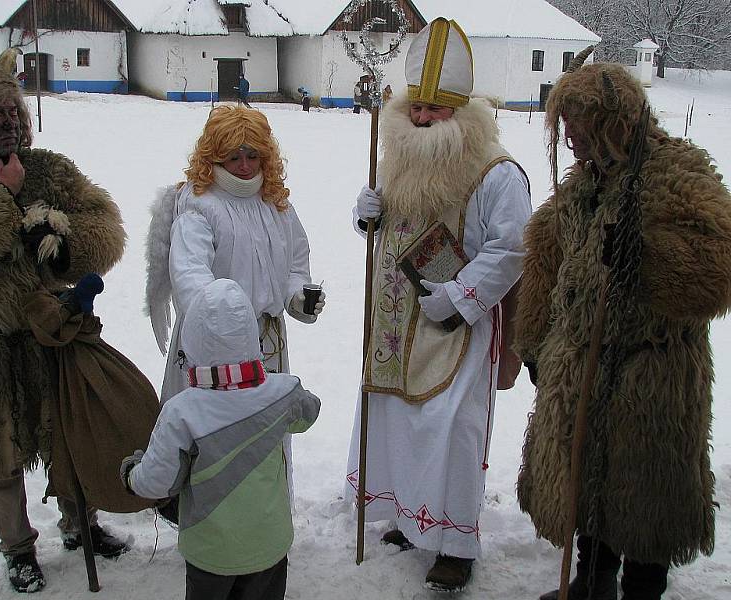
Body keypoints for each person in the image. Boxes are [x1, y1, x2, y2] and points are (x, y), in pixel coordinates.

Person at [513, 50, 731, 600]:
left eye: (578, 127)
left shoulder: (676, 171)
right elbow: (545, 254)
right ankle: (590, 584)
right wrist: (537, 342)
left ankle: (641, 590)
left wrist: (649, 252)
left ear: (613, 121)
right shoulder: (584, 184)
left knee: (645, 493)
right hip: (582, 363)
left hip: (650, 371)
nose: (569, 140)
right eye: (563, 128)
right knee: (588, 484)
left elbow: (720, 260)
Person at [344, 18, 531, 593]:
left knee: (451, 430)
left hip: (457, 328)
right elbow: (392, 235)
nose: (422, 119)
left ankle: (454, 544)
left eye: (436, 110)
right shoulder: (398, 158)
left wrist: (460, 297)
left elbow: (512, 247)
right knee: (398, 422)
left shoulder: (497, 173)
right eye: (416, 108)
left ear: (461, 111)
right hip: (396, 327)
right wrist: (367, 216)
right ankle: (408, 517)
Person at [0, 48, 128, 592]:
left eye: (13, 113)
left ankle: (80, 523)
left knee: (69, 434)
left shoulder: (48, 169)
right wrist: (5, 196)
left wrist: (64, 245)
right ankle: (17, 547)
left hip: (53, 333)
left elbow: (105, 227)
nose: (8, 125)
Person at [145, 105, 324, 493]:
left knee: (266, 434)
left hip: (269, 341)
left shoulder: (275, 202)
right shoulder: (201, 205)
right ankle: (211, 523)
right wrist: (222, 325)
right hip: (215, 345)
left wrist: (297, 297)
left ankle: (266, 514)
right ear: (215, 157)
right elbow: (191, 273)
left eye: (252, 155)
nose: (244, 166)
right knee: (217, 438)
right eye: (234, 156)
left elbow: (295, 260)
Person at [122, 278, 320, 600]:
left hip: (211, 554)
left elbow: (157, 482)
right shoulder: (282, 393)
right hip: (269, 548)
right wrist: (283, 392)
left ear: (192, 342)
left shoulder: (182, 412)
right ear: (250, 336)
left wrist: (132, 474)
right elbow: (310, 412)